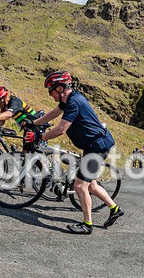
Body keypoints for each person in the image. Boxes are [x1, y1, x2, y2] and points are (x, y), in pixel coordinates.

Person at [33, 71, 123, 234]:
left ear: (60, 88)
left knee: (80, 185)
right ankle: (115, 209)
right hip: (93, 145)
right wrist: (35, 123)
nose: (49, 94)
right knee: (91, 185)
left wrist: (40, 137)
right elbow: (54, 113)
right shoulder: (68, 100)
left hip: (97, 146)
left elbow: (61, 129)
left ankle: (87, 225)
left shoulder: (73, 102)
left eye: (50, 90)